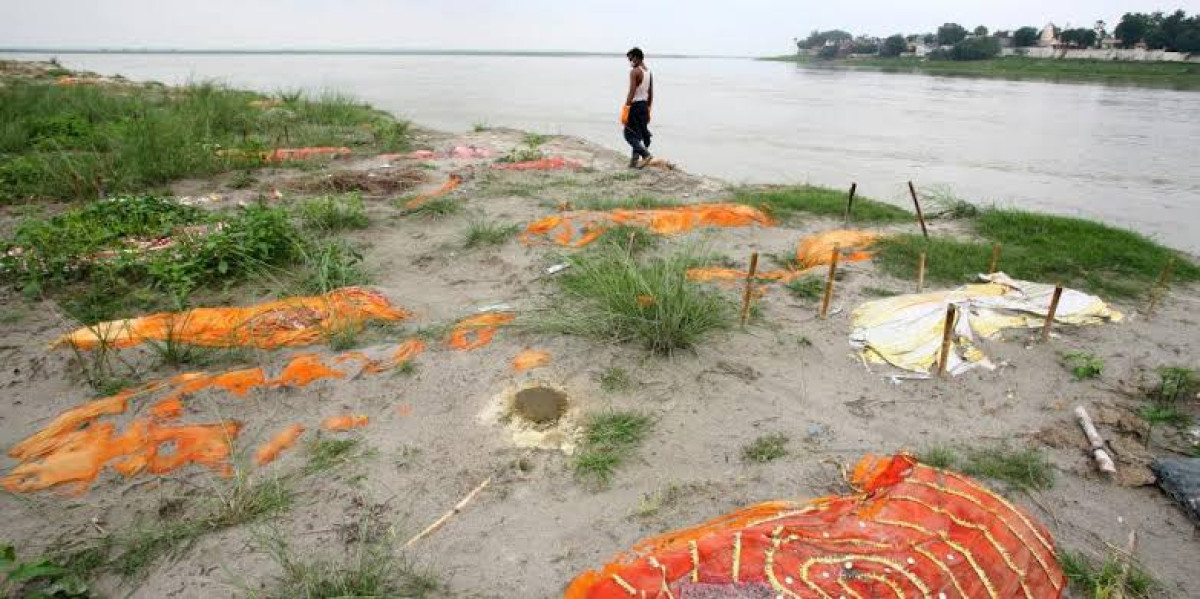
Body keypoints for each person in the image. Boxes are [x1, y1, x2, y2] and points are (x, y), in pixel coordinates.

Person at [622, 47, 653, 168]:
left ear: (637, 57)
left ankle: (646, 155)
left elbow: (632, 92)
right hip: (644, 106)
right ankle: (634, 162)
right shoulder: (649, 72)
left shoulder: (635, 72)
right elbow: (651, 93)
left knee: (628, 134)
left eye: (631, 58)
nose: (630, 61)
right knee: (637, 135)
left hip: (635, 106)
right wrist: (649, 108)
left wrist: (626, 107)